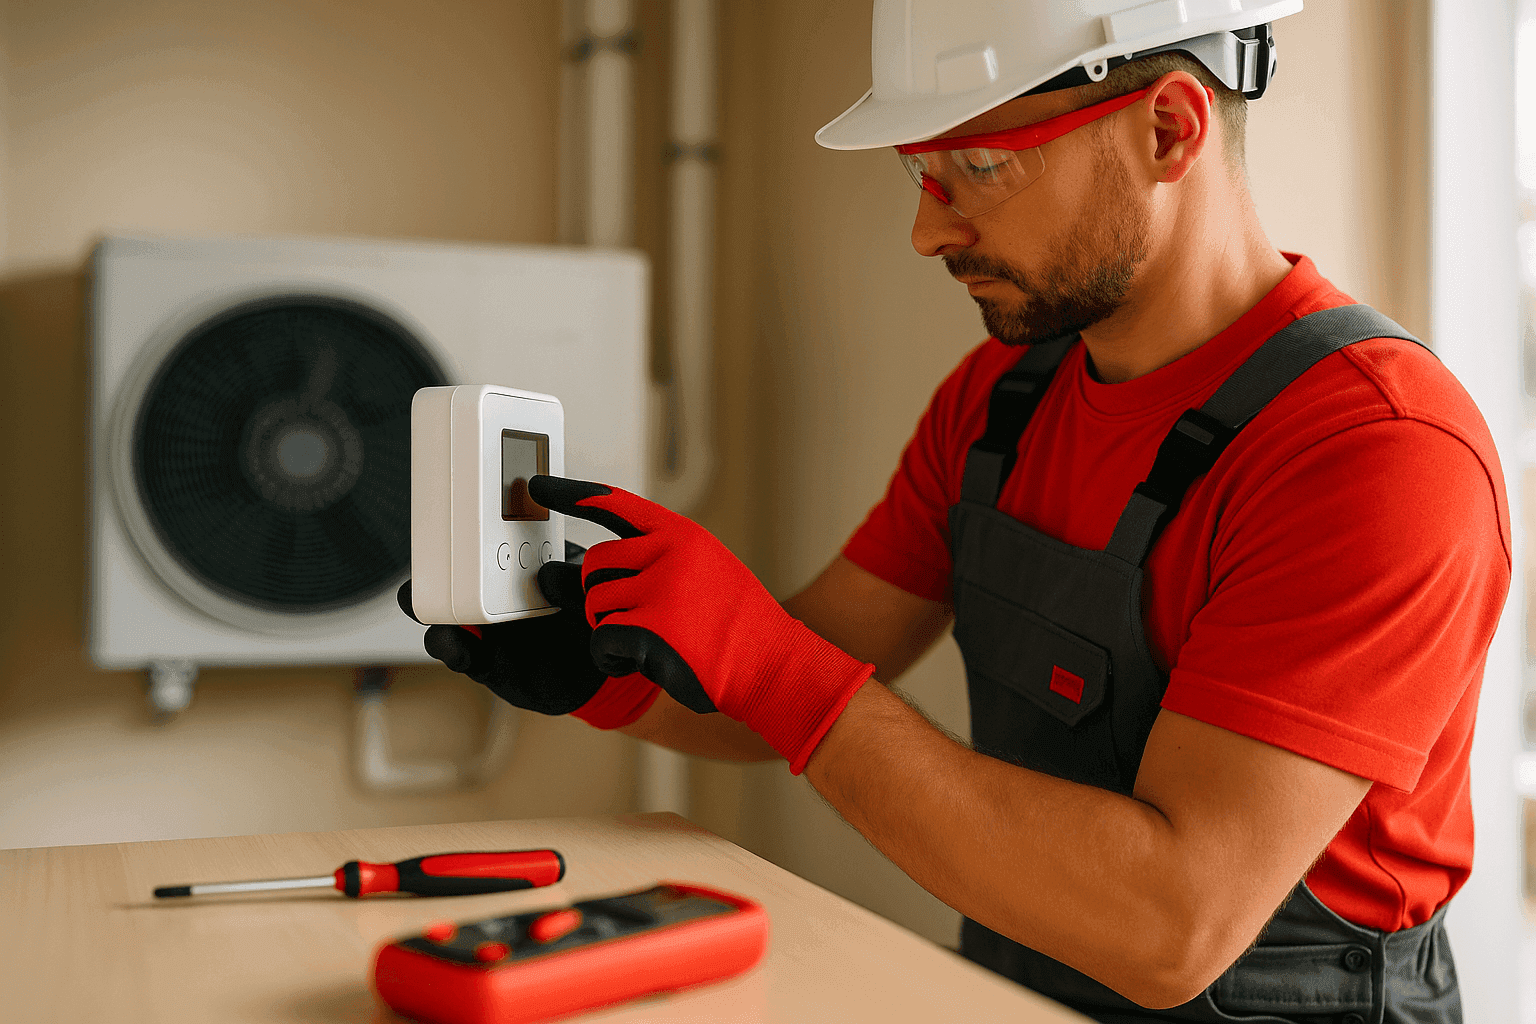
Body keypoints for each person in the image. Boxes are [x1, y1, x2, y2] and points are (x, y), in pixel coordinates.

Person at [403, 2, 1510, 1020]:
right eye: (919, 172)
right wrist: (606, 677)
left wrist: (765, 659)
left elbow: (1173, 922)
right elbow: (800, 668)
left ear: (1169, 132)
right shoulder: (1000, 404)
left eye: (976, 166)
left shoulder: (1373, 451)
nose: (929, 233)